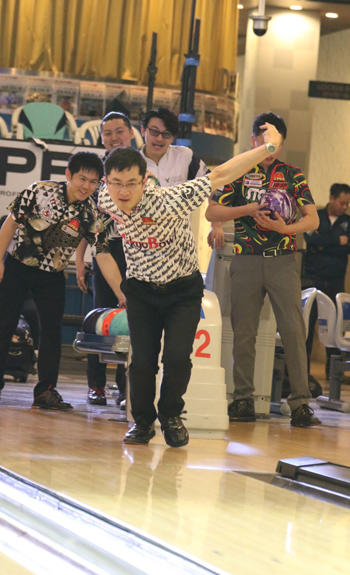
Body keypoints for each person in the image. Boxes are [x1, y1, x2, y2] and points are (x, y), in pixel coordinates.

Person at [95, 121, 282, 447]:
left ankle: (171, 417)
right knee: (142, 361)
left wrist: (268, 147)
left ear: (144, 181)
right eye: (116, 184)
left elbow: (221, 174)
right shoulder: (105, 198)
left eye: (131, 184)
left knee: (178, 358)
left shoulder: (170, 199)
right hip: (140, 290)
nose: (123, 192)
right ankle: (142, 422)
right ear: (106, 182)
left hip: (182, 291)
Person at [206, 111, 321, 428]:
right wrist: (248, 209)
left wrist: (285, 229)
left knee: (293, 331)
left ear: (281, 143)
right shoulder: (239, 171)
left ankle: (300, 403)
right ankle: (242, 398)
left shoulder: (293, 174)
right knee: (244, 331)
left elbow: (313, 219)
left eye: (274, 140)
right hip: (245, 258)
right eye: (261, 139)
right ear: (253, 140)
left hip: (284, 259)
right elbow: (212, 212)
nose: (267, 145)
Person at [0, 151, 109, 410]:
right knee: (4, 325)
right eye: (82, 179)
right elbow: (10, 224)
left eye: (93, 182)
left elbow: (102, 253)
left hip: (52, 275)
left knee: (51, 332)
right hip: (17, 265)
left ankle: (45, 391)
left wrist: (120, 290)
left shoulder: (90, 213)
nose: (86, 186)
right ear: (68, 174)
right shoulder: (39, 191)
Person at [75, 112, 134, 406]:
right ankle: (96, 386)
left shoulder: (140, 169)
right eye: (108, 133)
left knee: (132, 320)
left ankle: (125, 388)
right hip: (104, 250)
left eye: (119, 131)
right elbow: (87, 220)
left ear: (131, 133)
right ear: (101, 138)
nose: (114, 137)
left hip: (136, 252)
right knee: (99, 317)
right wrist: (79, 259)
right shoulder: (96, 173)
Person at [140, 106, 225, 249]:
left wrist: (216, 225)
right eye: (154, 131)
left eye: (166, 134)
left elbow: (215, 185)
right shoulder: (132, 163)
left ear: (173, 137)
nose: (159, 138)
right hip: (141, 244)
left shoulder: (184, 157)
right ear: (143, 130)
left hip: (179, 245)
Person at [303, 183, 350, 378]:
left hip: (335, 280)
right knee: (307, 326)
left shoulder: (348, 222)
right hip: (312, 279)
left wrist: (323, 243)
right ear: (331, 198)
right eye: (342, 202)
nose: (345, 207)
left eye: (347, 204)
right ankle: (302, 372)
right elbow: (311, 240)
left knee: (335, 327)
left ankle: (334, 374)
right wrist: (337, 241)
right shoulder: (315, 216)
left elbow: (347, 246)